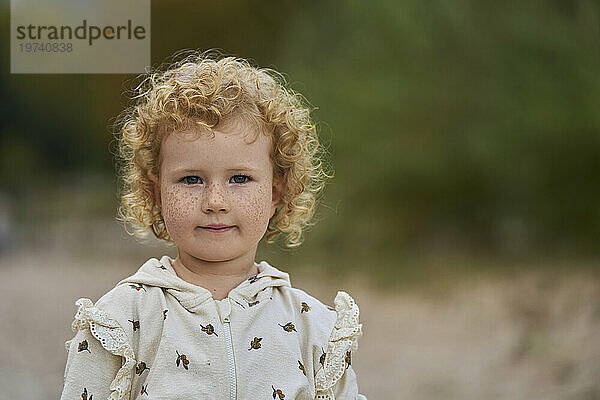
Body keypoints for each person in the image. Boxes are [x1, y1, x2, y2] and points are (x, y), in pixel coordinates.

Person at [60, 51, 366, 400]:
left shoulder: (313, 327)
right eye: (191, 179)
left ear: (276, 193)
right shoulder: (120, 321)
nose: (215, 201)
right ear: (156, 191)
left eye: (239, 178)